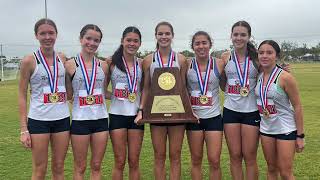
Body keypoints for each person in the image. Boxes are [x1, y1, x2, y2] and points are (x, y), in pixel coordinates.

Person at [19, 18, 70, 180]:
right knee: (40, 169)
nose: (47, 37)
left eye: (51, 33)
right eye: (43, 33)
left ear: (56, 34)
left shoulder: (62, 58)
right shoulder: (29, 61)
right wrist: (24, 129)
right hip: (39, 120)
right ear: (36, 36)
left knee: (59, 167)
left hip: (62, 119)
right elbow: (21, 94)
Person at [135, 21, 187, 180]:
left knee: (176, 155)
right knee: (159, 155)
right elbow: (146, 88)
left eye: (167, 34)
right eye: (160, 34)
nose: (164, 37)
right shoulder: (148, 60)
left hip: (177, 113)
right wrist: (141, 110)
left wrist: (190, 111)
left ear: (172, 36)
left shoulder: (182, 59)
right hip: (156, 113)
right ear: (156, 36)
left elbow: (183, 88)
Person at [65, 24, 109, 180]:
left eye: (96, 40)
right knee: (80, 167)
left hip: (101, 120)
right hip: (80, 121)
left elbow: (104, 92)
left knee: (96, 165)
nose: (92, 43)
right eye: (88, 38)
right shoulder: (69, 65)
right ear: (81, 39)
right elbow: (67, 93)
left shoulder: (103, 65)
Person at [256, 40, 304, 180]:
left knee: (285, 173)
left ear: (276, 56)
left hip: (285, 130)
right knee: (271, 169)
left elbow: (297, 106)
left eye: (269, 52)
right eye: (261, 52)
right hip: (266, 130)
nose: (264, 56)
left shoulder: (285, 77)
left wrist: (300, 136)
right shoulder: (259, 76)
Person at [221, 21, 260, 180]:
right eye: (235, 34)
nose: (239, 38)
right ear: (231, 36)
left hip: (251, 111)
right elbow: (223, 84)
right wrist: (235, 90)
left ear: (249, 36)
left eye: (243, 35)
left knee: (250, 156)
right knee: (235, 155)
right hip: (230, 111)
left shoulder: (257, 57)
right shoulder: (225, 57)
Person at [106, 26, 144, 180]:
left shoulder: (142, 63)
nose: (132, 44)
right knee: (120, 161)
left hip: (137, 117)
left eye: (136, 41)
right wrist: (117, 95)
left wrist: (141, 107)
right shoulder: (111, 62)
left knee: (134, 161)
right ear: (122, 41)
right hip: (117, 116)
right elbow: (102, 91)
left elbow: (144, 90)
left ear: (140, 43)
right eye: (128, 40)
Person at [185, 31, 225, 179]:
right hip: (193, 118)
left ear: (210, 45)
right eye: (197, 43)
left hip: (213, 118)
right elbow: (181, 90)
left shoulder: (219, 63)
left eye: (204, 43)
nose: (201, 46)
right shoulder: (186, 64)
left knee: (214, 161)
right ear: (192, 46)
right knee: (196, 160)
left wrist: (279, 68)